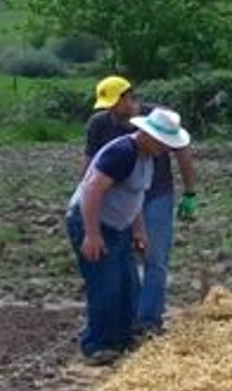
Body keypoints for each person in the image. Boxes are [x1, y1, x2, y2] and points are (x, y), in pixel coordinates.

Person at [65, 106, 192, 365]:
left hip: (118, 225)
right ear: (148, 135)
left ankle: (122, 339)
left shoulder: (146, 156)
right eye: (164, 143)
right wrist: (92, 234)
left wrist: (138, 229)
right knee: (105, 283)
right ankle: (98, 345)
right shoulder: (121, 153)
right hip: (95, 222)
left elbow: (132, 196)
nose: (167, 149)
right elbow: (91, 190)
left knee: (127, 283)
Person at [85, 75, 200, 338]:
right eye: (107, 106)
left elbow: (183, 153)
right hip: (118, 198)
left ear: (128, 98)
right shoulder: (100, 124)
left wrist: (190, 192)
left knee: (155, 257)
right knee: (124, 258)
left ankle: (149, 320)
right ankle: (128, 319)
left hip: (156, 194)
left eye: (115, 103)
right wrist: (86, 201)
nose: (111, 110)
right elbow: (90, 163)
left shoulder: (160, 118)